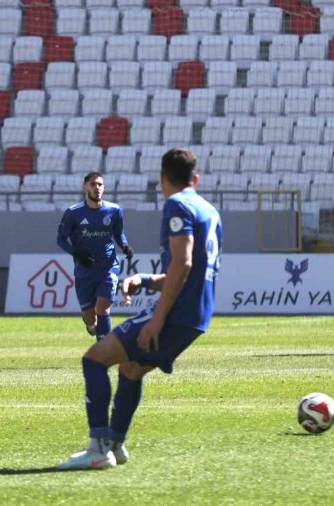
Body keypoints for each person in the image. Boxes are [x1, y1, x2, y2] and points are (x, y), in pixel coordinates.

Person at [58, 148, 221, 470]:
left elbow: (183, 263)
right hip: (199, 315)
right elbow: (191, 271)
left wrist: (157, 318)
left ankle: (97, 449)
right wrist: (145, 280)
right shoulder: (209, 209)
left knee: (94, 359)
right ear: (196, 178)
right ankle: (115, 445)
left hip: (176, 313)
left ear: (162, 179)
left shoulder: (177, 205)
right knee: (131, 369)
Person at [56, 172, 133, 340]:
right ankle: (90, 323)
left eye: (100, 184)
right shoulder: (73, 212)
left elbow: (119, 233)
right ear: (85, 187)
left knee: (102, 308)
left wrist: (125, 245)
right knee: (91, 316)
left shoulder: (114, 210)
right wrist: (77, 253)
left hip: (108, 267)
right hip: (84, 270)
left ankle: (104, 348)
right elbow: (60, 239)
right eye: (93, 184)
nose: (97, 188)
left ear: (104, 188)